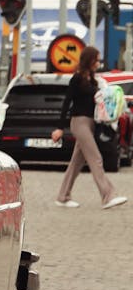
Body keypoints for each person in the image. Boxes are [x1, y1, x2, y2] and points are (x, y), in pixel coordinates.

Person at [51, 46, 128, 210]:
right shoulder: (77, 78)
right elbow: (66, 103)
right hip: (79, 123)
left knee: (76, 163)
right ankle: (108, 196)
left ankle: (63, 197)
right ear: (89, 60)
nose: (98, 63)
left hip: (91, 123)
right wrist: (59, 128)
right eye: (97, 60)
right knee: (96, 158)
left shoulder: (93, 80)